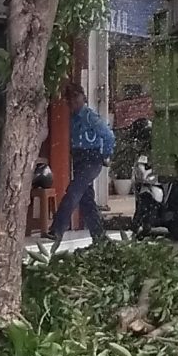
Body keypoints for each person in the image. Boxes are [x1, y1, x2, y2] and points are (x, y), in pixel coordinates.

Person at [54, 79, 115, 245]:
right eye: (70, 100)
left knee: (73, 192)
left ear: (82, 97)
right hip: (79, 159)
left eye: (76, 98)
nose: (73, 103)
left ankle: (57, 229)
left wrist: (105, 155)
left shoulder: (89, 116)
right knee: (86, 199)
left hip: (92, 158)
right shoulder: (72, 119)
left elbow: (108, 136)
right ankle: (99, 237)